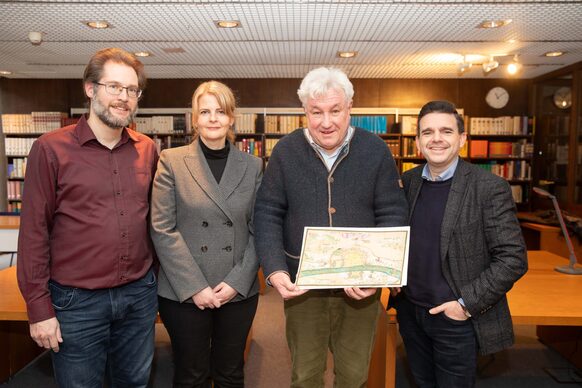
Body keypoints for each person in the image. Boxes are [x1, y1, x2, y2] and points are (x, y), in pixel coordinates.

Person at [254, 67, 408, 388]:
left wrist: (378, 276)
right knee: (305, 375)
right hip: (302, 289)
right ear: (304, 113)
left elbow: (392, 212)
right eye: (316, 112)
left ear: (350, 107)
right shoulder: (285, 151)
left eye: (335, 111)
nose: (326, 122)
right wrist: (275, 270)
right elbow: (268, 212)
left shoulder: (375, 149)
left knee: (354, 376)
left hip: (360, 289)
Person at [16, 47, 159, 387]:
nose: (123, 98)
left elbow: (154, 220)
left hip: (138, 296)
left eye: (131, 90)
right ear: (90, 89)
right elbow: (34, 232)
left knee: (135, 383)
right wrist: (39, 310)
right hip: (75, 302)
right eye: (114, 87)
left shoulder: (147, 149)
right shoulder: (50, 149)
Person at [393, 100, 528, 388]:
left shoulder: (489, 188)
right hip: (411, 312)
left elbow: (512, 258)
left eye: (446, 131)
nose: (437, 139)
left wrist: (464, 305)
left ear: (462, 139)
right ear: (417, 141)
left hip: (456, 319)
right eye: (427, 132)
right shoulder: (409, 181)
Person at [150, 80, 262, 388]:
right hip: (184, 291)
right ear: (194, 118)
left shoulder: (253, 165)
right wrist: (196, 287)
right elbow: (162, 228)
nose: (213, 118)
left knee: (230, 374)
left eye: (220, 111)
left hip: (237, 290)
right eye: (205, 111)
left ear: (231, 117)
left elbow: (259, 229)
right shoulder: (171, 161)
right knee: (191, 375)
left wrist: (236, 282)